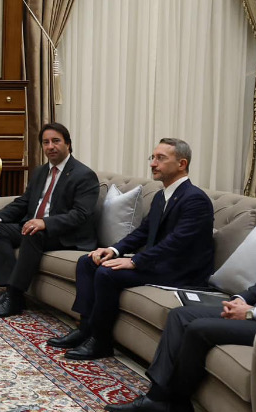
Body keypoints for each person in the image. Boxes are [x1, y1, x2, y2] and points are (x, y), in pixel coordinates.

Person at [106, 167, 256, 412]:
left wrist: (252, 312)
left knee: (198, 329)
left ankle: (167, 401)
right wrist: (242, 299)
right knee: (180, 315)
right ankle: (164, 399)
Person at [53, 138, 214, 360]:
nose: (153, 163)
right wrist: (114, 250)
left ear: (182, 164)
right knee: (88, 261)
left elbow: (176, 243)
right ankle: (85, 328)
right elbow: (143, 232)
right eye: (152, 157)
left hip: (180, 271)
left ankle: (101, 341)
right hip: (159, 263)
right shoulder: (161, 196)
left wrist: (135, 261)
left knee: (107, 273)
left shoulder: (195, 199)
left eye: (160, 158)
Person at [0, 123, 99, 317]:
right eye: (46, 142)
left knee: (33, 232)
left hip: (66, 235)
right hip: (37, 229)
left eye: (56, 141)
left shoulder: (84, 175)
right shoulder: (41, 171)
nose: (50, 146)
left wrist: (45, 223)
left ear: (68, 144)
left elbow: (80, 214)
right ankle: (8, 291)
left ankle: (14, 297)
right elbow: (24, 202)